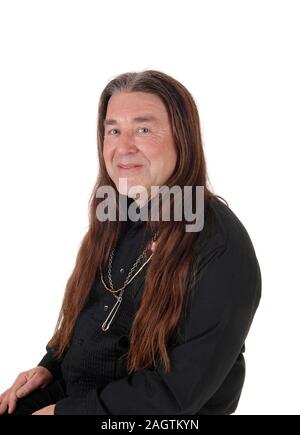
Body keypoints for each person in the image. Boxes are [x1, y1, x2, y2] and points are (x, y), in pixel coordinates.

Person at [0, 70, 261, 415]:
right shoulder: (118, 214)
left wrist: (64, 413)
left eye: (143, 129)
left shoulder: (221, 246)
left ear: (183, 138)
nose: (123, 147)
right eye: (113, 130)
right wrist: (51, 365)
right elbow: (92, 318)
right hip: (81, 394)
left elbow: (176, 396)